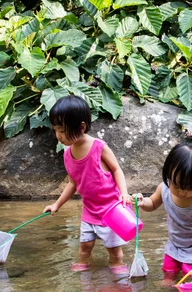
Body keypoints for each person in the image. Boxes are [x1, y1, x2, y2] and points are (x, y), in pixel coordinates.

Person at [43, 95, 131, 274]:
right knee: (85, 246)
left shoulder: (99, 147)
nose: (57, 136)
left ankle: (117, 264)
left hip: (111, 210)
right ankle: (84, 263)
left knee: (114, 250)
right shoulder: (67, 155)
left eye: (61, 130)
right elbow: (73, 183)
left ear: (81, 126)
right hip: (89, 210)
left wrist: (124, 193)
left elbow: (117, 170)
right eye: (55, 130)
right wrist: (56, 204)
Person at [134, 143, 192, 278]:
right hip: (176, 242)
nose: (182, 192)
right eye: (177, 185)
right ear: (168, 174)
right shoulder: (164, 189)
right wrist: (143, 202)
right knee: (168, 272)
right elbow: (152, 204)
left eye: (189, 187)